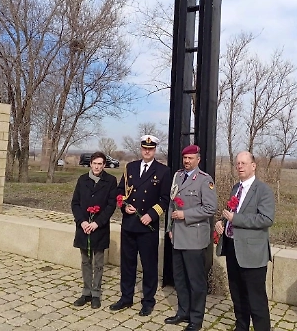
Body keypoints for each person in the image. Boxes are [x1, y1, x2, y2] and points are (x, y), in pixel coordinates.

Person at [110, 135, 172, 316]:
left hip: (147, 227)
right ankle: (126, 297)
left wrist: (151, 215)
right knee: (127, 264)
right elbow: (120, 191)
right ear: (141, 148)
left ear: (155, 150)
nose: (147, 151)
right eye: (144, 148)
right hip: (129, 224)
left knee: (149, 265)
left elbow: (165, 200)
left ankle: (148, 300)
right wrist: (123, 205)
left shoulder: (163, 171)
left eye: (150, 149)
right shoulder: (130, 167)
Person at [214, 151, 275, 331]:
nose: (239, 166)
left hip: (253, 254)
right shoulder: (235, 188)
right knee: (237, 294)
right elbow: (229, 215)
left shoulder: (263, 190)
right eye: (237, 164)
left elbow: (266, 219)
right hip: (233, 249)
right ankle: (241, 326)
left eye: (243, 163)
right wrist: (222, 223)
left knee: (256, 298)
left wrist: (235, 219)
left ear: (253, 166)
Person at [164, 144, 217, 331]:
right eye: (185, 158)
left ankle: (196, 319)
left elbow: (210, 208)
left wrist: (186, 215)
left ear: (198, 159)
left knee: (195, 281)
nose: (187, 161)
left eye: (191, 158)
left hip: (194, 237)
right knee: (179, 278)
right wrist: (169, 227)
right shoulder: (177, 175)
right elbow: (172, 203)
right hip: (177, 235)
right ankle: (183, 312)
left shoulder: (204, 180)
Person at [70, 151, 118, 309]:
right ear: (90, 164)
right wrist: (82, 221)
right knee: (85, 261)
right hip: (83, 227)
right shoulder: (82, 179)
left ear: (104, 165)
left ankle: (96, 293)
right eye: (94, 163)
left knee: (98, 262)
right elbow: (75, 203)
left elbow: (111, 206)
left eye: (100, 164)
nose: (97, 167)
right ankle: (86, 291)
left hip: (99, 227)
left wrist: (97, 223)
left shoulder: (110, 181)